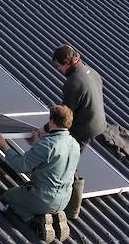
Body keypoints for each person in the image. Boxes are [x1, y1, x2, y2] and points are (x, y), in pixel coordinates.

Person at [35, 44, 107, 219]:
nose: (58, 70)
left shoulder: (72, 83)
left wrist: (45, 130)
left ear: (65, 63)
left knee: (68, 160)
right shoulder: (91, 71)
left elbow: (65, 116)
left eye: (58, 66)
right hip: (98, 123)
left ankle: (72, 207)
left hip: (85, 127)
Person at [0, 105, 80, 243]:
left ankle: (36, 220)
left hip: (42, 198)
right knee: (44, 200)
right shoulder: (75, 144)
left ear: (52, 121)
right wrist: (35, 144)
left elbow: (21, 166)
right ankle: (54, 216)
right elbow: (52, 161)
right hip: (64, 199)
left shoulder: (47, 144)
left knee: (9, 196)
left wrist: (4, 145)